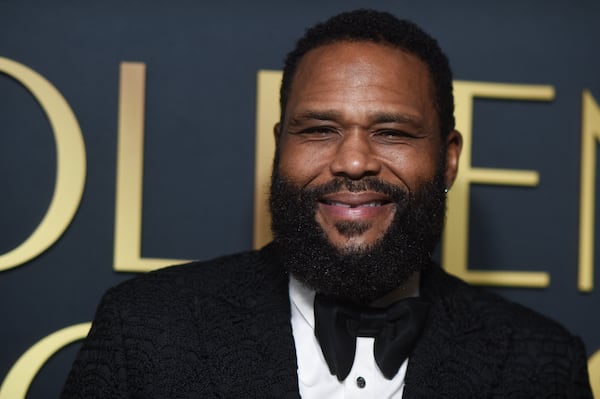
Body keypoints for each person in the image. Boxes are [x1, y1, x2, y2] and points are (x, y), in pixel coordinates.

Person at [62, 9, 593, 398]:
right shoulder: (148, 328)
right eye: (318, 129)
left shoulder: (540, 365)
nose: (354, 161)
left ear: (448, 159)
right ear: (279, 146)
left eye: (392, 132)